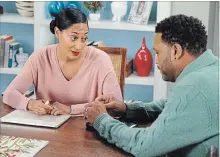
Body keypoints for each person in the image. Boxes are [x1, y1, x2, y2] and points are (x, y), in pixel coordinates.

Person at [85, 14, 219, 157]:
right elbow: (173, 107)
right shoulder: (213, 69)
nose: (156, 61)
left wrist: (101, 120)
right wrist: (126, 109)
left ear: (176, 51)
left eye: (157, 52)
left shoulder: (193, 87)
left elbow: (144, 146)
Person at [3, 8, 122, 116]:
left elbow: (116, 105)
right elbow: (9, 94)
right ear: (57, 33)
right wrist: (30, 103)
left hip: (88, 130)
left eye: (84, 38)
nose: (79, 46)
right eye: (74, 37)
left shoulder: (101, 59)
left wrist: (71, 110)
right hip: (49, 131)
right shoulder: (40, 58)